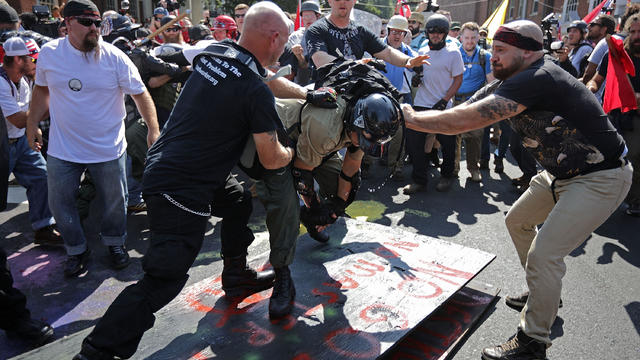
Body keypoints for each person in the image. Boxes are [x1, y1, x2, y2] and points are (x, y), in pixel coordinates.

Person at [72, 3, 297, 359]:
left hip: (168, 165)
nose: (284, 48)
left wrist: (307, 94)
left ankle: (236, 274)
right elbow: (270, 158)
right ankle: (98, 351)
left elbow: (261, 76)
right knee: (164, 278)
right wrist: (290, 151)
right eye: (284, 41)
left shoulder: (214, 54)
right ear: (274, 38)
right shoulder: (254, 90)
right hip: (181, 188)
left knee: (236, 200)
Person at [402, 20, 631, 359]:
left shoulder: (538, 77)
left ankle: (532, 342)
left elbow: (466, 121)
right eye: (492, 48)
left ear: (527, 51)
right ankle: (544, 293)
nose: (492, 56)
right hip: (561, 173)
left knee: (544, 254)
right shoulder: (513, 76)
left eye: (500, 50)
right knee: (518, 221)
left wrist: (412, 118)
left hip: (600, 176)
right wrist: (423, 112)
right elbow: (468, 106)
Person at [25, 0, 160, 277]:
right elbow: (41, 91)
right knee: (60, 205)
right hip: (64, 149)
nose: (95, 28)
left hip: (108, 148)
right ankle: (77, 249)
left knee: (115, 203)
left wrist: (153, 130)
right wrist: (32, 124)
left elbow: (140, 93)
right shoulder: (50, 54)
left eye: (99, 23)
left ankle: (114, 243)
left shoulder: (114, 57)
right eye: (87, 22)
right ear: (68, 24)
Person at [0, 36, 63, 246]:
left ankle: (43, 227)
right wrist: (55, 105)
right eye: (33, 59)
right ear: (18, 59)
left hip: (19, 142)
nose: (36, 64)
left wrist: (33, 127)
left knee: (41, 177)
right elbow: (18, 119)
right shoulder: (0, 82)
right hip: (3, 144)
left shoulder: (25, 79)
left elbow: (28, 113)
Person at [404, 14, 464, 194]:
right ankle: (419, 180)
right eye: (432, 32)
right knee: (415, 144)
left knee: (447, 144)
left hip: (443, 106)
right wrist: (417, 79)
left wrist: (445, 100)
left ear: (445, 34)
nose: (435, 35)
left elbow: (458, 79)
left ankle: (446, 176)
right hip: (421, 103)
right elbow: (421, 74)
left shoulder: (453, 53)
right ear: (427, 33)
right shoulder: (423, 50)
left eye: (439, 32)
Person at [587, 14, 640, 216]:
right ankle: (603, 197)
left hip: (637, 117)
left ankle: (634, 199)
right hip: (614, 114)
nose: (636, 36)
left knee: (633, 156)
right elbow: (597, 80)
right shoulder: (616, 55)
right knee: (604, 155)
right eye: (633, 31)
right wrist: (589, 89)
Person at [305, 0, 429, 80]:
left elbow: (387, 52)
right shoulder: (317, 29)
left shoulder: (360, 30)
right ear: (330, 1)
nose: (342, 2)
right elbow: (320, 60)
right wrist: (354, 64)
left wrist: (408, 60)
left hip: (355, 88)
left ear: (354, 1)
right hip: (325, 91)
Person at [454, 22, 495, 180]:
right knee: (453, 135)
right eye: (467, 38)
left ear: (478, 37)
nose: (470, 41)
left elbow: (491, 81)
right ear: (461, 38)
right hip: (455, 100)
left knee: (475, 137)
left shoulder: (485, 56)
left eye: (473, 37)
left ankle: (473, 169)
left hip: (475, 103)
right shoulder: (454, 54)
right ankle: (454, 169)